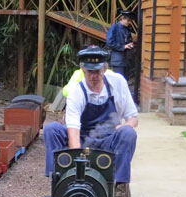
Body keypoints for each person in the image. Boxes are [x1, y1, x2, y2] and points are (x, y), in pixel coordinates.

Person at [44, 46, 138, 184]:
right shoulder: (76, 93)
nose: (93, 76)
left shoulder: (117, 83)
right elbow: (73, 132)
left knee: (128, 132)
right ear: (83, 69)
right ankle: (59, 179)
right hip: (83, 140)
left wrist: (125, 127)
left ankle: (114, 184)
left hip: (108, 140)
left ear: (105, 69)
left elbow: (133, 118)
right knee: (51, 129)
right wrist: (79, 164)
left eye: (97, 71)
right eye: (89, 72)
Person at [106, 10, 134, 79]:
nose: (129, 22)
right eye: (128, 20)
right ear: (123, 19)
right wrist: (123, 46)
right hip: (117, 60)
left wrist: (129, 45)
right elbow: (109, 42)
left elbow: (127, 41)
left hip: (126, 60)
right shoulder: (114, 27)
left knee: (124, 81)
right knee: (118, 80)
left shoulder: (127, 29)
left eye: (130, 21)